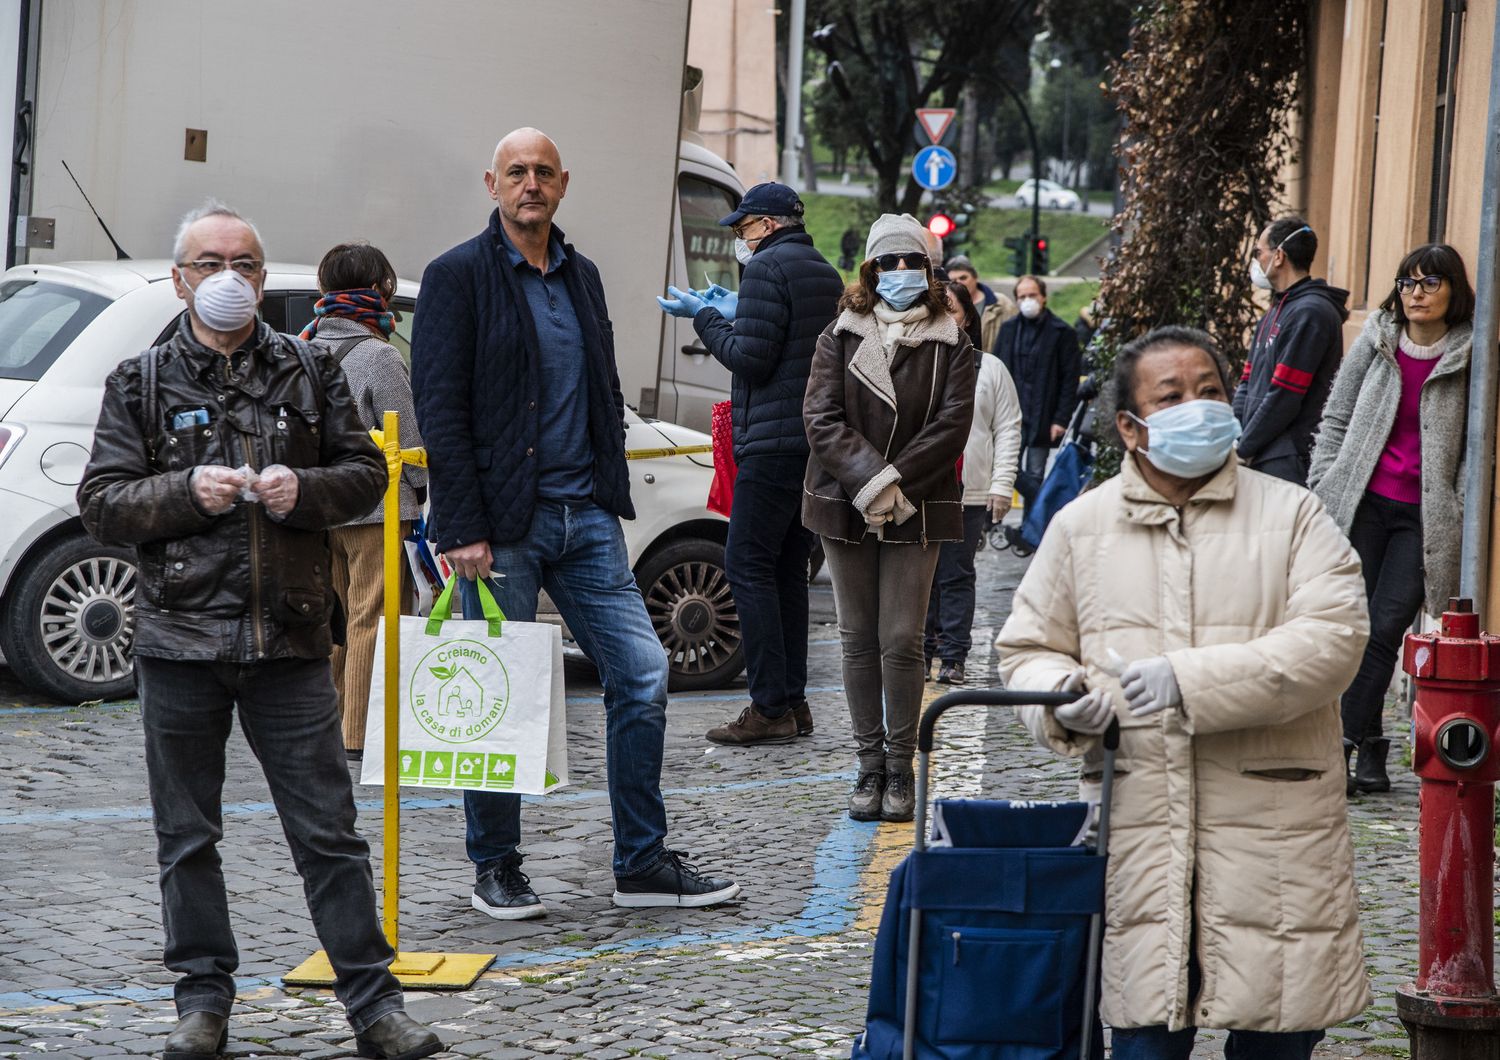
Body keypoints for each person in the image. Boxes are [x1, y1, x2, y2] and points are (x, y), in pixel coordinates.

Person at [76, 203, 442, 1060]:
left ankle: (375, 1007)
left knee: (328, 833)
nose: (229, 279)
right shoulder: (140, 380)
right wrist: (182, 494)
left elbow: (362, 476)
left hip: (288, 641)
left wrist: (303, 493)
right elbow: (100, 505)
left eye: (244, 263)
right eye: (210, 264)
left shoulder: (308, 368)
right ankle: (201, 1003)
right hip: (180, 642)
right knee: (188, 836)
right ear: (180, 279)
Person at [997, 325, 1371, 1058]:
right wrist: (1061, 698)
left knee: (1277, 1037)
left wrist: (1188, 680)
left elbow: (1333, 642)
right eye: (1174, 397)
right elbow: (1028, 649)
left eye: (1210, 393)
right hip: (1138, 831)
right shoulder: (1081, 527)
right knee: (1143, 1038)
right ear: (1133, 428)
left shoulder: (1293, 515)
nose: (1198, 408)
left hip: (1276, 836)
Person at [411, 128, 739, 920]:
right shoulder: (456, 276)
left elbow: (600, 387)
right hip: (498, 526)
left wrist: (608, 482)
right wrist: (459, 524)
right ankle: (495, 865)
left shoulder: (581, 275)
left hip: (585, 515)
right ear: (493, 182)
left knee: (644, 674)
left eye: (544, 173)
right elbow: (441, 407)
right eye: (517, 172)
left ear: (563, 185)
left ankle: (641, 864)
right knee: (497, 695)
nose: (531, 184)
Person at [803, 213, 975, 823]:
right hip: (846, 499)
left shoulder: (954, 341)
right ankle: (867, 764)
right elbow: (820, 418)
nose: (899, 272)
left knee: (902, 639)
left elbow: (953, 426)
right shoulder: (839, 335)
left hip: (919, 501)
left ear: (929, 271)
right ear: (870, 269)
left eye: (912, 262)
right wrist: (869, 481)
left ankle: (901, 766)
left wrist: (896, 483)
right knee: (857, 639)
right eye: (888, 262)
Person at [656, 181, 842, 745]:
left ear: (765, 225)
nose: (739, 238)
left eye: (742, 228)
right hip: (809, 443)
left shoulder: (766, 269)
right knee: (786, 569)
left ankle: (768, 707)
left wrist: (706, 320)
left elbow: (751, 358)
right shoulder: (825, 272)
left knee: (746, 565)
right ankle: (793, 701)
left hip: (771, 441)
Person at [1309, 243, 1475, 795]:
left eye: (1430, 284)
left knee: (1384, 629)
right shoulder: (1378, 336)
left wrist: (1455, 503)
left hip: (1421, 517)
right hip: (1361, 504)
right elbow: (1336, 412)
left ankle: (1343, 746)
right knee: (1350, 627)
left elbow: (1477, 449)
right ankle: (1370, 749)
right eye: (1408, 283)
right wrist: (1325, 478)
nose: (1416, 295)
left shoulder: (1468, 353)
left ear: (1454, 292)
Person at [300, 242, 426, 761]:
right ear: (378, 290)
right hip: (376, 509)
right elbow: (411, 443)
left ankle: (326, 727)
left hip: (317, 508)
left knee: (331, 615)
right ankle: (358, 733)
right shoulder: (379, 355)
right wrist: (421, 491)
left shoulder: (302, 348)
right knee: (371, 615)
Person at [923, 282, 1021, 685]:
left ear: (968, 318)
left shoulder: (990, 368)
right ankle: (920, 652)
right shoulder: (917, 362)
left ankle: (953, 657)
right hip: (923, 487)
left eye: (954, 311)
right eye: (938, 310)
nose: (947, 318)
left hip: (970, 491)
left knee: (956, 574)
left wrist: (1002, 486)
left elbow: (1008, 428)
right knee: (919, 577)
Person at [1233, 217, 1350, 485]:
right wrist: (1234, 437)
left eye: (1258, 252)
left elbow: (1284, 396)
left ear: (1279, 256)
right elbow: (1246, 383)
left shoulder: (1311, 313)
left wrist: (1244, 448)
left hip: (1288, 459)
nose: (1256, 261)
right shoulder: (1274, 312)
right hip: (1259, 452)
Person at [992, 274, 1080, 483]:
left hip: (1044, 417)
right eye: (1022, 296)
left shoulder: (1062, 332)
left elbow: (1070, 380)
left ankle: (1033, 516)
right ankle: (996, 517)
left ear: (1043, 297)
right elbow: (996, 371)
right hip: (1010, 416)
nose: (1027, 300)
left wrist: (1061, 419)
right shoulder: (1008, 330)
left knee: (1035, 474)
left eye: (1032, 295)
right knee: (1004, 472)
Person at [945, 253, 1017, 353]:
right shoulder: (944, 306)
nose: (959, 283)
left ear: (975, 277)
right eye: (953, 280)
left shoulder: (1002, 303)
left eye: (963, 278)